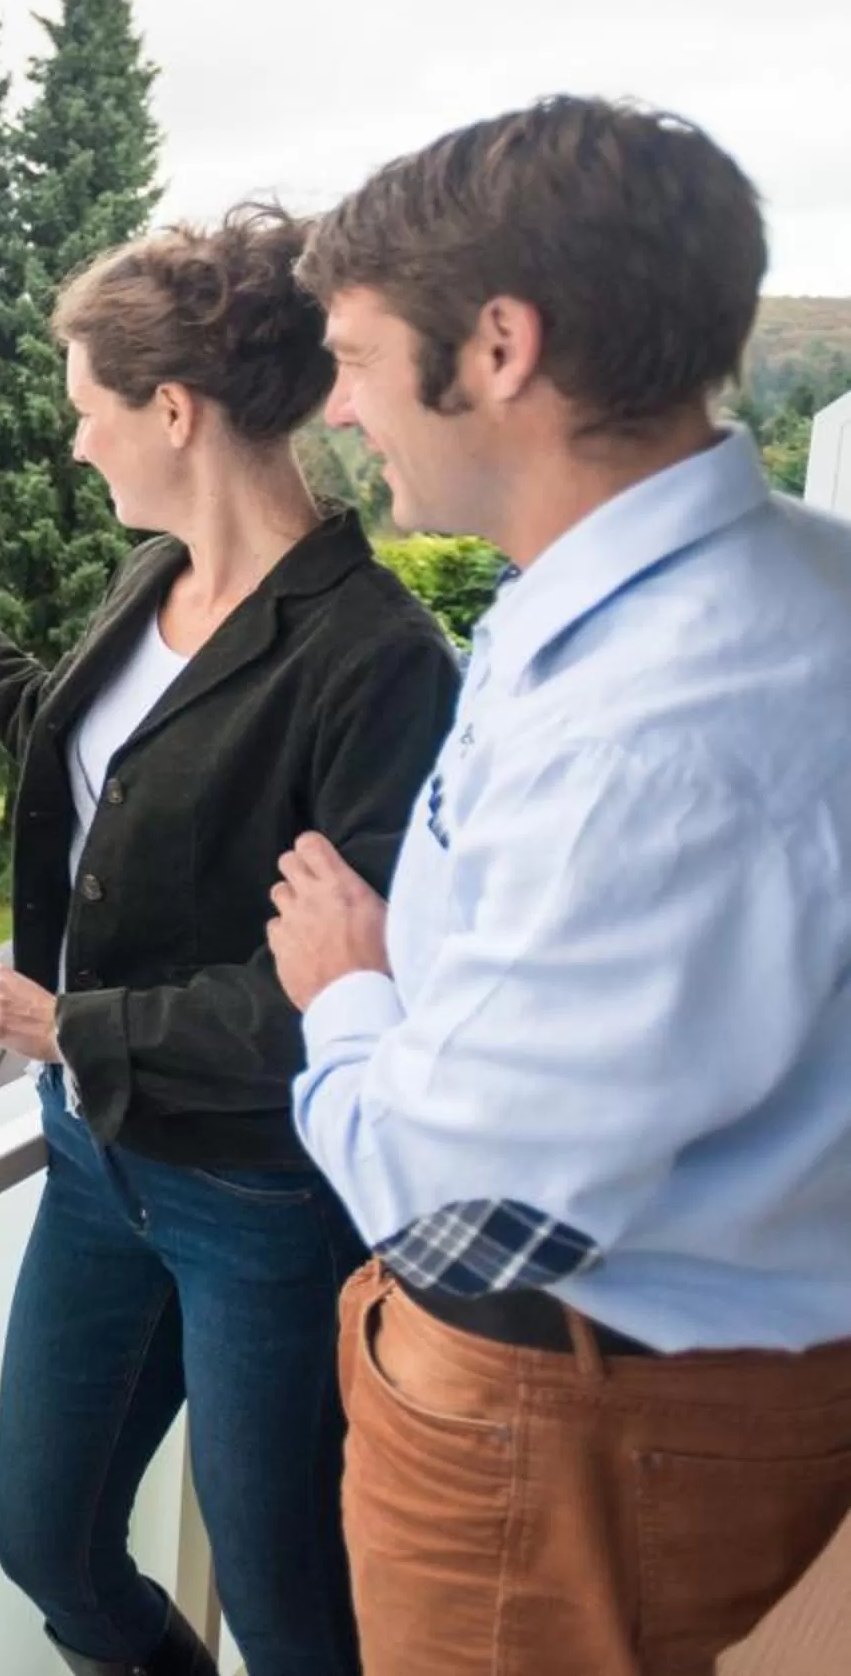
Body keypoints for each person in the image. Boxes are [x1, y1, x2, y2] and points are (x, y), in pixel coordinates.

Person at [269, 97, 851, 1676]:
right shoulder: (780, 580)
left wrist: (350, 995)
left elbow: (457, 1218)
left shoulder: (657, 737)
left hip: (583, 1428)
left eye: (358, 357)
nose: (338, 406)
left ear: (501, 346)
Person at [0, 204, 460, 1676]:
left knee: (293, 1623)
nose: (77, 443)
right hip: (98, 1161)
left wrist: (63, 1023)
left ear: (174, 410)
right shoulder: (157, 580)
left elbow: (344, 991)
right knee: (50, 1542)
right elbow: (76, 747)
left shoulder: (378, 660)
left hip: (261, 1200)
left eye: (89, 408)